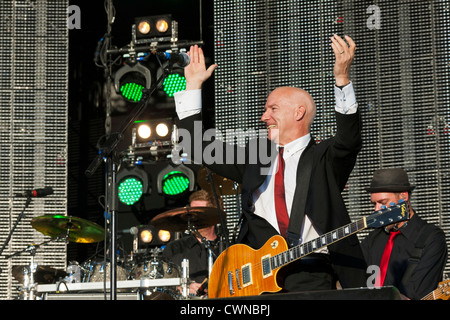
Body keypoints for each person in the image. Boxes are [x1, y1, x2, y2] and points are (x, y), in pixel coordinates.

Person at [173, 34, 368, 293]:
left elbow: (349, 141)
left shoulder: (323, 158)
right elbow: (197, 146)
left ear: (298, 112)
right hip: (258, 277)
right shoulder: (256, 158)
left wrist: (342, 79)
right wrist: (193, 85)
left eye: (273, 109)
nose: (265, 117)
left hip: (309, 272)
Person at [361, 168, 448, 300]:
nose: (376, 209)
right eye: (374, 204)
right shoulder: (371, 240)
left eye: (382, 203)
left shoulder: (430, 238)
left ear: (404, 196)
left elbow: (420, 293)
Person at [162, 189, 221, 296]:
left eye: (198, 213)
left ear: (213, 215)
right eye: (191, 213)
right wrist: (181, 288)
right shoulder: (174, 248)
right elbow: (162, 285)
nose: (193, 218)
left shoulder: (226, 248)